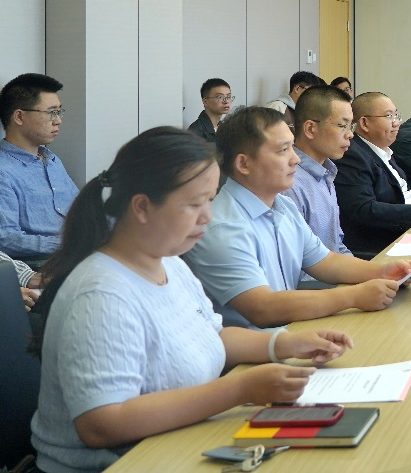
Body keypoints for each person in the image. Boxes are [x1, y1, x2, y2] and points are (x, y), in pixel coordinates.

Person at [29, 127, 353, 473]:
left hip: (178, 444)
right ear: (142, 207)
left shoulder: (168, 262)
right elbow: (101, 424)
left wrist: (287, 344)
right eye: (194, 204)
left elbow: (212, 335)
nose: (207, 217)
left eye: (209, 200)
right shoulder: (101, 295)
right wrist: (239, 389)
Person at [183, 106, 411, 329]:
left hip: (291, 330)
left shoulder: (283, 205)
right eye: (283, 150)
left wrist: (382, 272)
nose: (295, 159)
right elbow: (262, 308)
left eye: (292, 148)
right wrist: (353, 296)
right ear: (244, 163)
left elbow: (325, 262)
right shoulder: (222, 228)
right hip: (255, 348)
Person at [334, 92, 411, 258]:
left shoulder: (383, 151)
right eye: (389, 116)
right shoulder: (353, 155)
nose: (397, 123)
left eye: (396, 115)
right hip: (383, 243)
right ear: (365, 123)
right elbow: (363, 209)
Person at [0, 73, 79, 263]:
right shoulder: (4, 171)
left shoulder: (52, 160)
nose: (58, 120)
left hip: (75, 256)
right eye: (51, 112)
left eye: (59, 112)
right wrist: (71, 244)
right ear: (19, 116)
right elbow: (6, 239)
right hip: (41, 266)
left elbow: (82, 209)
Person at [279, 86, 353, 258]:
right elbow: (297, 264)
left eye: (351, 126)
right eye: (342, 125)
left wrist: (370, 270)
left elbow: (337, 245)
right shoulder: (289, 183)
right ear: (310, 129)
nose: (350, 134)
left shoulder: (327, 172)